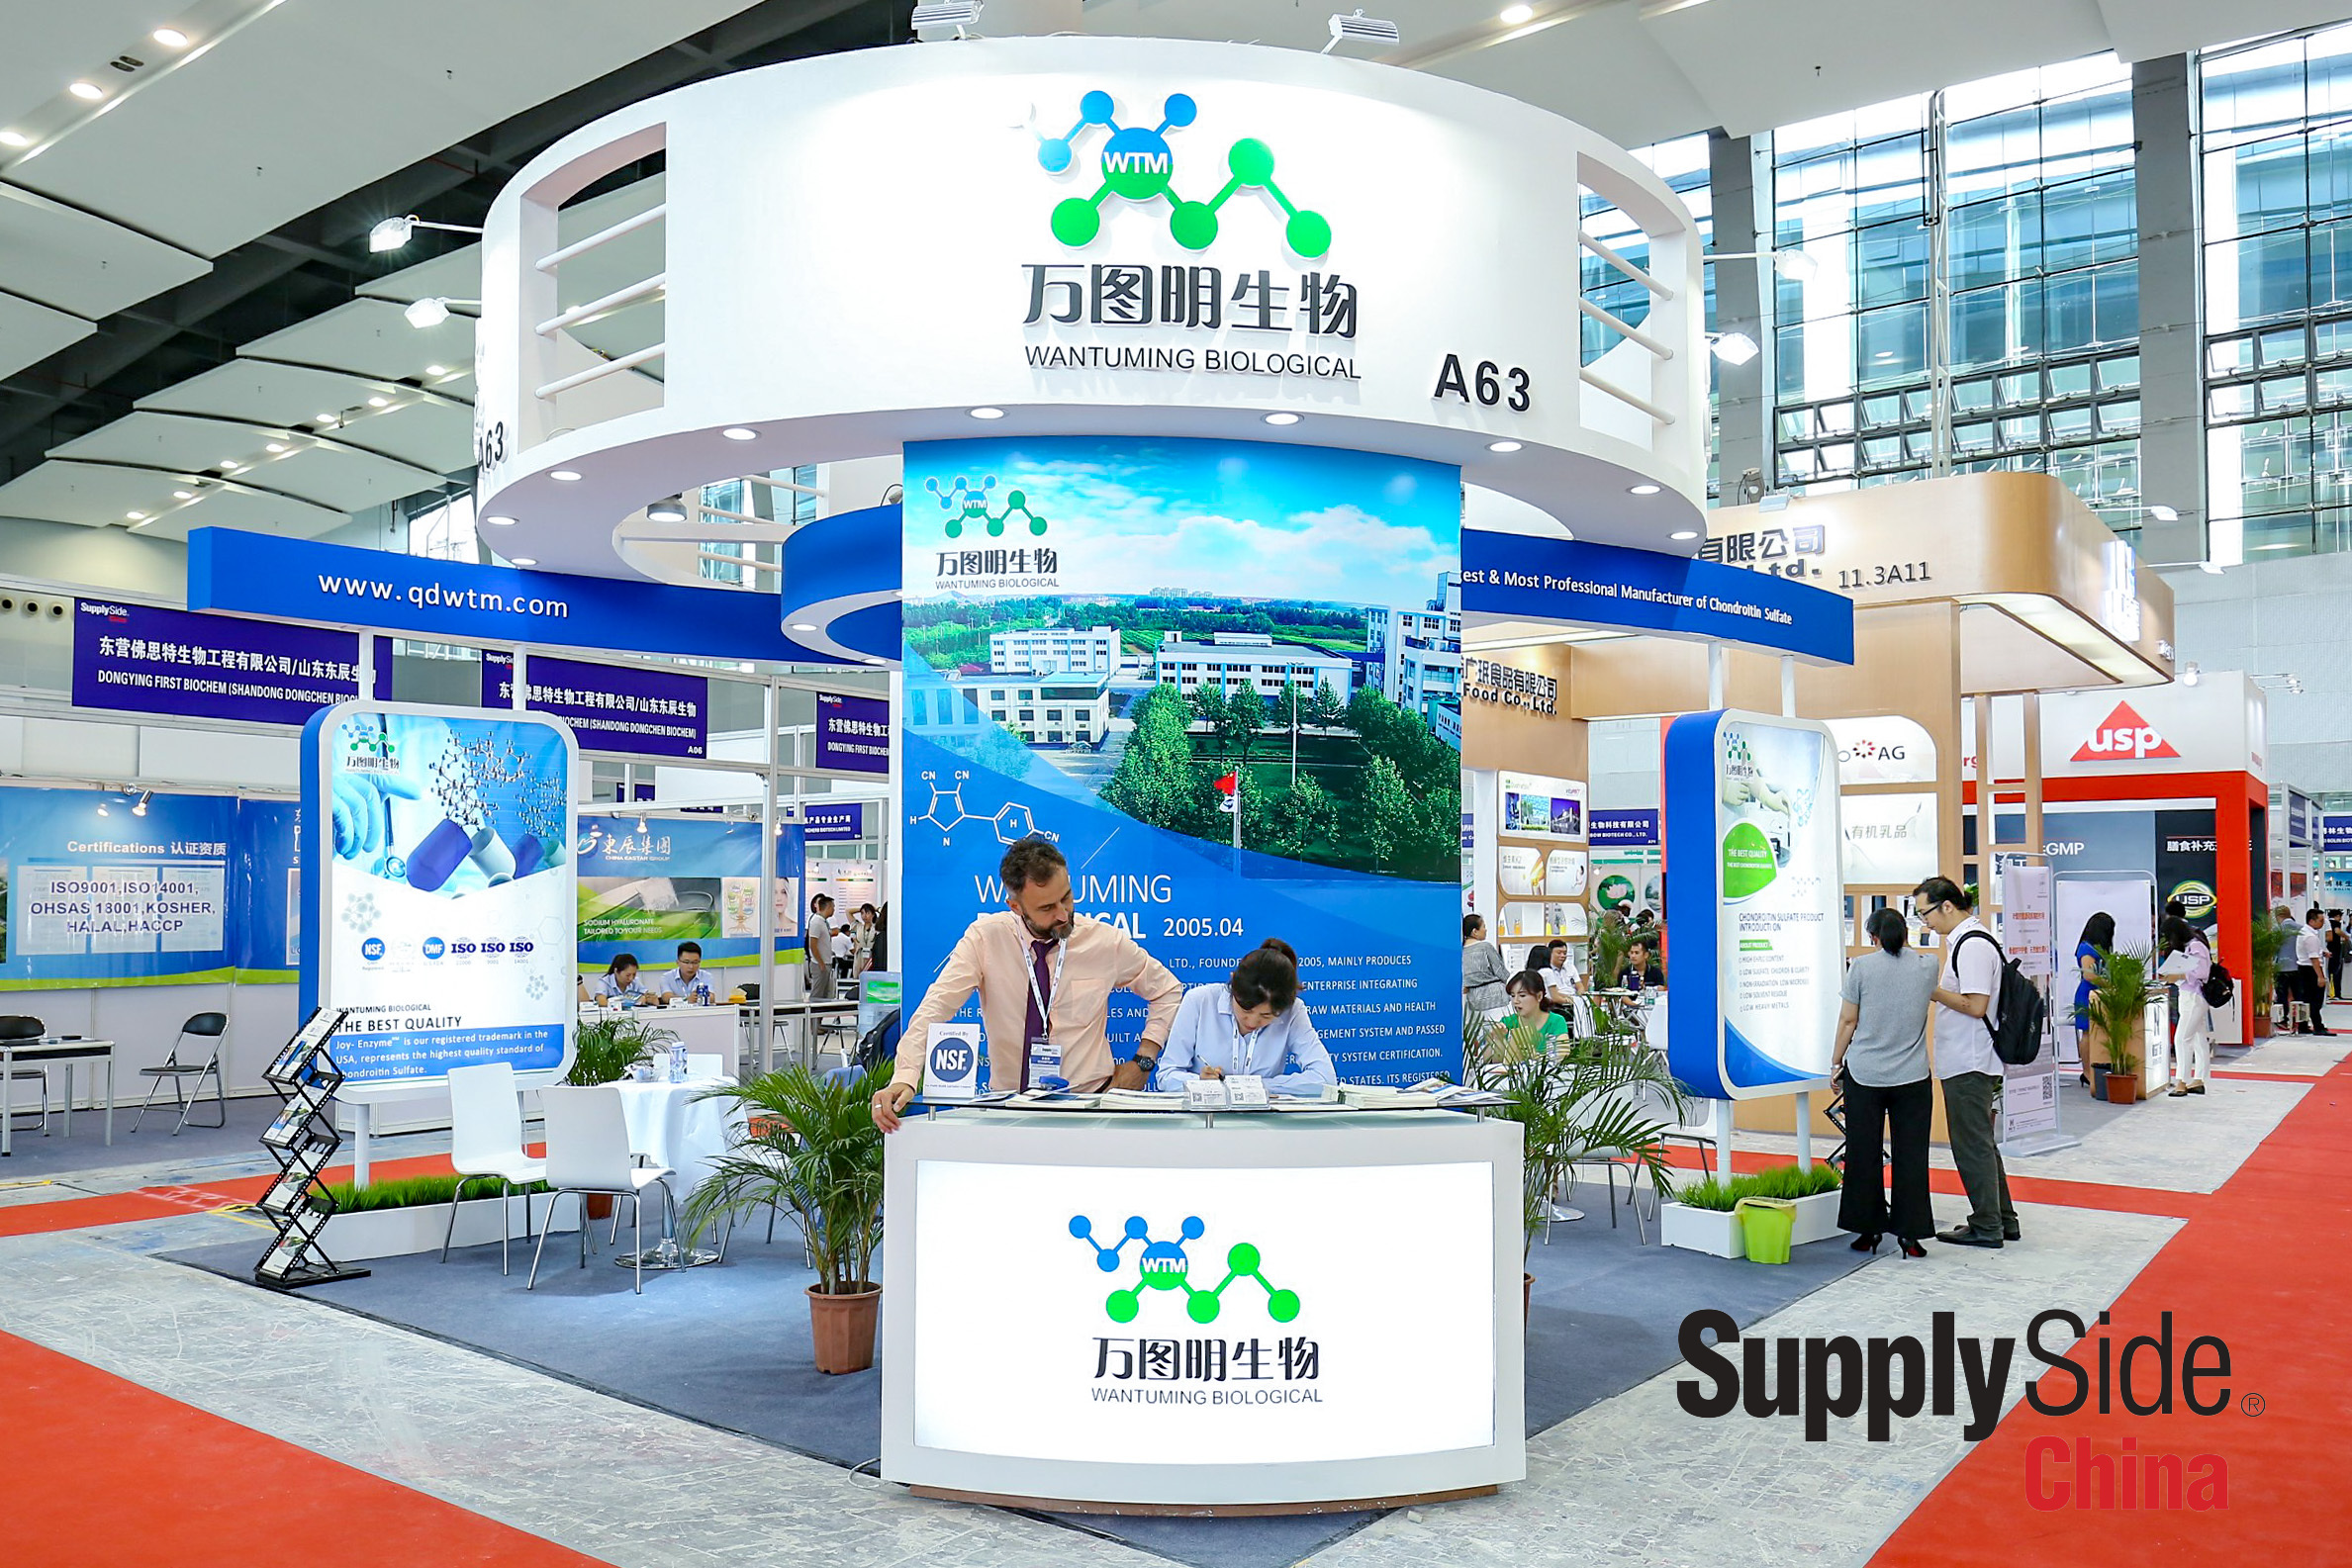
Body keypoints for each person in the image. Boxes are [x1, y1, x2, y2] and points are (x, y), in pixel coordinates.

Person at [873, 837, 1183, 1131]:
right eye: (1047, 908)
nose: (1063, 915)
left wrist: (1144, 1061)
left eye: (1066, 897)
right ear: (1016, 907)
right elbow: (935, 1008)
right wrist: (905, 1076)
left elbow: (1168, 990)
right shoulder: (985, 939)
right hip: (1009, 1111)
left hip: (1091, 1106)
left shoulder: (1103, 941)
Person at [1913, 876, 2018, 1248]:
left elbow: (1975, 1005)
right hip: (1970, 1057)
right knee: (1981, 1142)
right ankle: (2002, 1220)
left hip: (1969, 1060)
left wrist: (1930, 990)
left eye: (1925, 913)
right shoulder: (1969, 940)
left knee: (1971, 1145)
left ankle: (1987, 1225)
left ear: (1947, 906)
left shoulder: (1971, 945)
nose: (1925, 922)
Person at [1833, 908, 1936, 1258]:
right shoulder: (1927, 965)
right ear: (1906, 933)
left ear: (1873, 937)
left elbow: (1848, 1021)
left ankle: (1868, 1230)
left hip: (1866, 1074)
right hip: (1913, 1075)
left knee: (1863, 1153)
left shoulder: (1861, 968)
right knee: (1912, 1154)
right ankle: (1910, 1235)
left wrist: (1835, 1063)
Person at [1155, 939, 1337, 1097]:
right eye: (1245, 1010)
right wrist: (1200, 1083)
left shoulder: (1293, 1011)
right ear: (1233, 983)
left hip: (1265, 1122)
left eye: (1266, 1016)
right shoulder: (1200, 1001)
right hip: (1204, 1119)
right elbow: (1167, 1075)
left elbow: (1325, 1078)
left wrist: (1255, 1087)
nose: (1252, 1022)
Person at [2158, 915, 2213, 1097]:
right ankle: (2199, 1079)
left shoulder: (2196, 946)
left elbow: (2202, 972)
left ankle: (2181, 1081)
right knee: (2198, 1038)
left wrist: (2180, 975)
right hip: (2190, 996)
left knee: (2182, 1039)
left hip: (2194, 997)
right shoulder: (2192, 946)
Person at [2072, 912, 2115, 1086]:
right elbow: (2089, 975)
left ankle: (2097, 1069)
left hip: (2100, 996)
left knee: (2098, 1033)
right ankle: (2087, 1072)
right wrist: (2109, 984)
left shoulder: (2098, 949)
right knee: (2088, 1033)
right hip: (2088, 996)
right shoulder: (2086, 948)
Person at [1494, 970, 1571, 1062]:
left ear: (1539, 996)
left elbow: (1563, 1056)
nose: (1515, 1001)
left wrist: (1538, 1058)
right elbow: (1496, 1063)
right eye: (1513, 996)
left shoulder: (1556, 1022)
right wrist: (1498, 1039)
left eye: (1522, 995)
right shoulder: (1506, 1023)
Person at [1462, 914, 1509, 1015]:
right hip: (1497, 997)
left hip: (1474, 1001)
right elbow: (1502, 973)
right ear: (1475, 931)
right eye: (1483, 926)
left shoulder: (1461, 952)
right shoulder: (1485, 947)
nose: (1486, 930)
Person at [2300, 906, 2335, 1036]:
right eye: (2320, 921)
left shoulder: (2304, 932)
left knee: (2307, 999)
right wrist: (2320, 976)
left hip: (2305, 968)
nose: (2322, 923)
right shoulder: (2310, 937)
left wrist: (2322, 952)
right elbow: (2314, 959)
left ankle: (2303, 1025)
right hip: (2311, 970)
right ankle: (2318, 1026)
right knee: (2315, 1000)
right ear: (2312, 921)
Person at [653, 941, 713, 1005]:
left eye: (695, 962)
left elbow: (712, 998)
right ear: (677, 962)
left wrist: (701, 996)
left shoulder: (706, 976)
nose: (691, 966)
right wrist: (686, 1000)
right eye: (686, 962)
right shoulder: (667, 977)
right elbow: (666, 997)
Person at [2275, 904, 2304, 1031]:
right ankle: (2300, 1021)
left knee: (2282, 995)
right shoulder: (2300, 928)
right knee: (2299, 995)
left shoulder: (2278, 930)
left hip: (2281, 967)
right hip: (2298, 966)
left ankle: (2283, 1020)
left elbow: (2274, 949)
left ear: (2278, 916)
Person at [805, 894, 837, 1003]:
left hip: (825, 962)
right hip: (819, 964)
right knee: (817, 993)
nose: (834, 909)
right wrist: (821, 963)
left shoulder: (823, 922)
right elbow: (813, 945)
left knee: (824, 994)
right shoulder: (816, 922)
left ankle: (820, 1014)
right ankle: (813, 1013)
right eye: (833, 907)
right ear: (827, 907)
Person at [1541, 938, 1583, 1009]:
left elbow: (1580, 987)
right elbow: (1552, 994)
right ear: (1550, 953)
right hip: (1557, 1003)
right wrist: (1570, 998)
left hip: (1574, 1002)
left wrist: (1579, 998)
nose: (1563, 956)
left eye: (1565, 953)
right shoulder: (1547, 971)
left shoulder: (1570, 967)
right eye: (1559, 953)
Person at [2329, 911, 2349, 1002]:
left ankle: (2330, 993)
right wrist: (2346, 936)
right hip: (2335, 950)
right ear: (2337, 916)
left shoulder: (2326, 923)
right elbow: (2337, 931)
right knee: (2336, 972)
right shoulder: (2335, 923)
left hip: (2328, 950)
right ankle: (2336, 993)